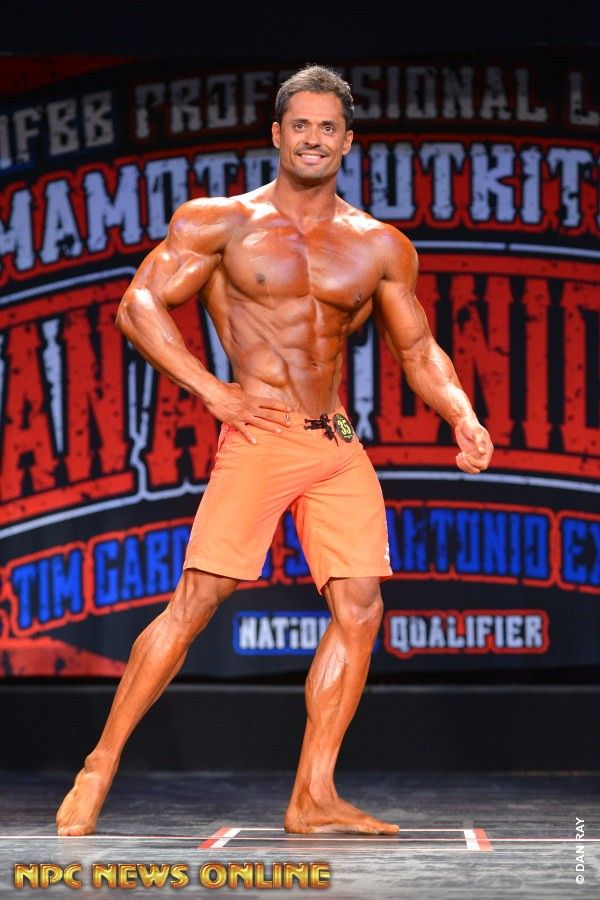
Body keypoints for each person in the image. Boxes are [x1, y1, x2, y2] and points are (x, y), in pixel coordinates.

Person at [56, 64, 493, 837]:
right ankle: (99, 764)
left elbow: (418, 347)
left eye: (328, 127)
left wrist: (462, 414)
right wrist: (211, 391)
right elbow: (138, 304)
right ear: (277, 135)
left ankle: (313, 795)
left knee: (361, 606)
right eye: (301, 125)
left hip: (337, 440)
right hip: (260, 434)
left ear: (348, 141)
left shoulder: (379, 246)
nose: (313, 138)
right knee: (198, 600)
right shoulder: (222, 222)